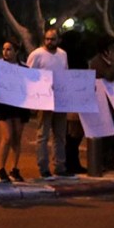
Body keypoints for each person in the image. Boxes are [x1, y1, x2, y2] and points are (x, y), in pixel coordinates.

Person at [28, 28, 72, 178]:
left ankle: (60, 165)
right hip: (43, 100)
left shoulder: (63, 55)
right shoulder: (37, 54)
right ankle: (43, 166)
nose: (49, 42)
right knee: (43, 134)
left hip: (60, 100)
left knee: (60, 135)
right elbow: (29, 76)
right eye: (47, 39)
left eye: (52, 39)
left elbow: (66, 74)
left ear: (58, 40)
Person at [0, 39, 30, 183]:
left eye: (9, 49)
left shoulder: (24, 68)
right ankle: (1, 169)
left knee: (17, 137)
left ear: (16, 52)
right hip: (2, 104)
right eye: (4, 49)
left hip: (18, 105)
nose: (6, 52)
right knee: (7, 136)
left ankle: (14, 168)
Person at [89, 36, 114, 171]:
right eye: (112, 47)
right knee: (105, 133)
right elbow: (108, 76)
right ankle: (101, 161)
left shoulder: (113, 61)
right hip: (104, 102)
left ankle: (111, 161)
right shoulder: (96, 62)